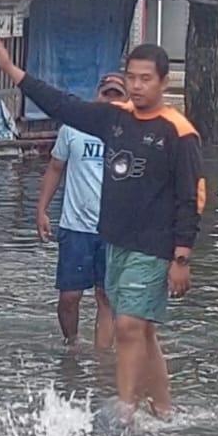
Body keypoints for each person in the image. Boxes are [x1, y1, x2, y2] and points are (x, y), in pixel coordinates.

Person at [0, 39, 203, 418]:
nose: (137, 86)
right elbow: (63, 105)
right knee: (143, 329)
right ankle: (164, 407)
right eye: (131, 78)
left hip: (154, 244)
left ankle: (124, 406)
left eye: (145, 79)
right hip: (115, 239)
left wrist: (182, 256)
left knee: (126, 326)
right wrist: (11, 71)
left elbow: (192, 197)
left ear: (164, 82)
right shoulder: (116, 118)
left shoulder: (179, 132)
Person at [35, 73, 127, 350]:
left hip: (114, 229)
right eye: (106, 94)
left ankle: (101, 361)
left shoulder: (131, 132)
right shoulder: (73, 128)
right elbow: (54, 169)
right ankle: (71, 345)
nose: (110, 100)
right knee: (69, 296)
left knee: (106, 297)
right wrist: (41, 210)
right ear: (97, 95)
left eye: (117, 95)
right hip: (75, 227)